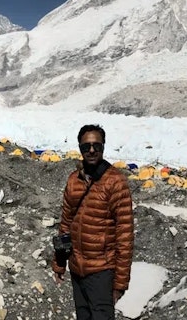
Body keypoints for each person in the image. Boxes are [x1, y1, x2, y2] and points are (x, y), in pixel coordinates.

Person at [51, 124, 134, 320]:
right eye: (86, 146)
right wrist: (60, 262)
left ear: (103, 147)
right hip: (77, 268)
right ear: (79, 148)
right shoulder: (74, 180)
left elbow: (125, 236)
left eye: (96, 146)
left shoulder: (115, 182)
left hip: (101, 271)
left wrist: (120, 282)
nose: (91, 150)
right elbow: (66, 224)